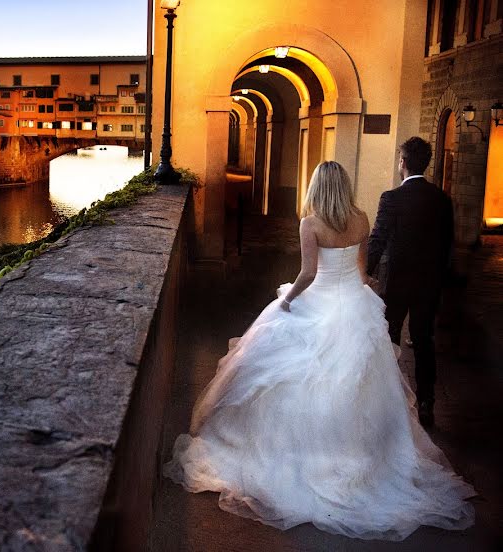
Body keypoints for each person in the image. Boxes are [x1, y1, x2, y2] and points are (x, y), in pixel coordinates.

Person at [165, 161, 474, 541]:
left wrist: (286, 300)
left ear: (317, 187)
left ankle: (306, 458)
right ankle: (356, 458)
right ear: (344, 185)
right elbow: (361, 272)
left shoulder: (310, 223)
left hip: (320, 302)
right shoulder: (360, 218)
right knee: (357, 387)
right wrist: (366, 287)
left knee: (294, 378)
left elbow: (308, 274)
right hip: (353, 304)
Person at [368, 137, 454, 428]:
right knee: (423, 341)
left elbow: (377, 240)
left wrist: (365, 274)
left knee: (389, 337)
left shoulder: (391, 198)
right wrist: (440, 282)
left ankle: (389, 401)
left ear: (402, 162)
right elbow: (447, 247)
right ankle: (427, 402)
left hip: (395, 283)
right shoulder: (442, 199)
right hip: (428, 285)